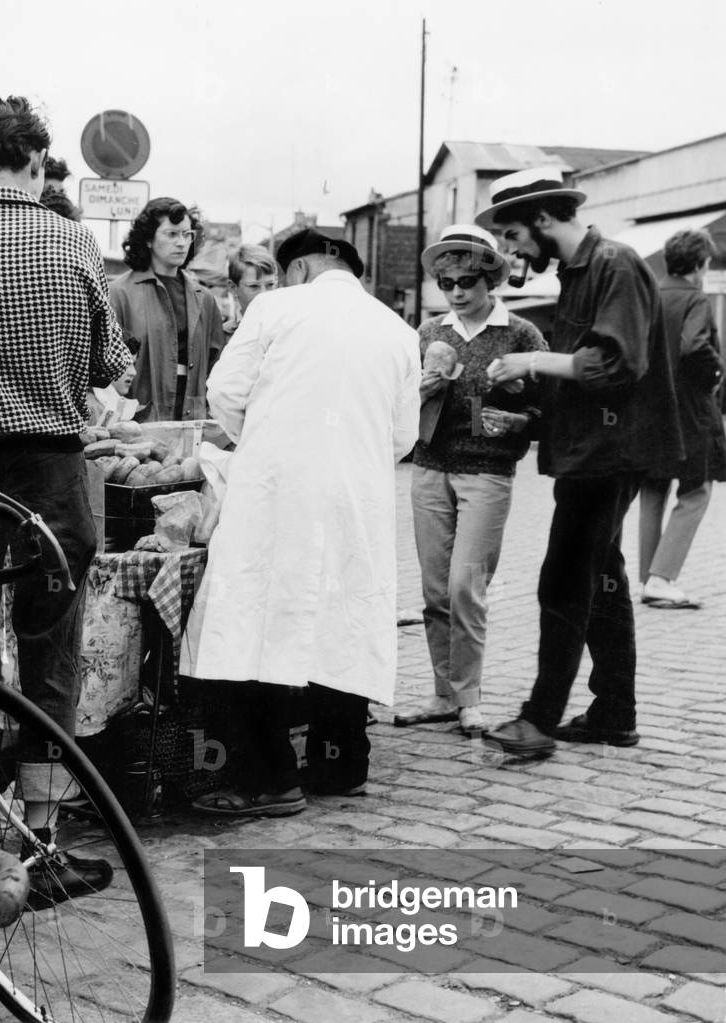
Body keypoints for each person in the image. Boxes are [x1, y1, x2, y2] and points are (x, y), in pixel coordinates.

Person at [0, 95, 132, 900]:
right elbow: (105, 365)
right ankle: (44, 838)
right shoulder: (69, 237)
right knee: (51, 649)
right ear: (33, 161)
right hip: (51, 473)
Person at [181, 228, 421, 815]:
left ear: (296, 269)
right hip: (356, 496)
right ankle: (341, 766)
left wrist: (266, 438)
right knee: (341, 619)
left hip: (278, 492)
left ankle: (269, 779)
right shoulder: (397, 329)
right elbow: (404, 435)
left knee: (257, 622)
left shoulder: (275, 307)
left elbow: (225, 391)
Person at [473, 167, 683, 756]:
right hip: (593, 451)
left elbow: (615, 366)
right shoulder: (582, 270)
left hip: (608, 457)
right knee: (603, 580)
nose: (511, 251)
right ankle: (614, 713)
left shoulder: (613, 263)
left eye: (513, 234)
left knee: (564, 581)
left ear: (543, 218)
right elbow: (585, 381)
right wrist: (530, 419)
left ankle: (538, 721)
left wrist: (532, 365)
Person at [393, 225, 547, 737]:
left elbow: (552, 410)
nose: (457, 293)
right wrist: (421, 387)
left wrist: (522, 420)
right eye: (447, 283)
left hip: (488, 470)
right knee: (436, 589)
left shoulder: (520, 334)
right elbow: (399, 402)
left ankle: (470, 697)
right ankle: (444, 695)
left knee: (466, 586)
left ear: (490, 280)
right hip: (431, 465)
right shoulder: (429, 333)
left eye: (467, 282)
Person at [639, 229, 726, 609]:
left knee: (653, 490)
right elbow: (694, 346)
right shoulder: (695, 299)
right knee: (696, 490)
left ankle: (648, 577)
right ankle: (662, 578)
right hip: (689, 412)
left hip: (649, 411)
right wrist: (717, 372)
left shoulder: (650, 296)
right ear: (700, 264)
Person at [109, 198, 225, 421]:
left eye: (187, 234)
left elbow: (216, 366)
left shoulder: (205, 299)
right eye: (171, 234)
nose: (181, 242)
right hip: (137, 422)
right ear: (149, 239)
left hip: (193, 421)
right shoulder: (119, 294)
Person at [220, 244, 280, 337]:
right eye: (254, 286)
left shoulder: (288, 329)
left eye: (270, 285)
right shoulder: (221, 337)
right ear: (233, 288)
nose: (264, 294)